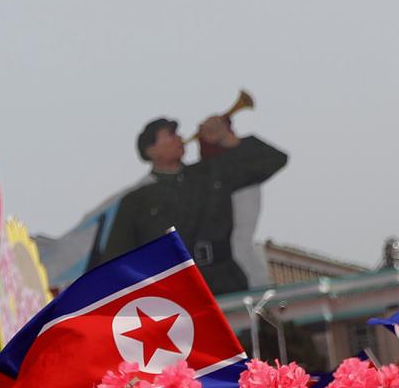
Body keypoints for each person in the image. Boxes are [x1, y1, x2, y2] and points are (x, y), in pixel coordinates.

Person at [101, 111, 286, 294]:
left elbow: (274, 159)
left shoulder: (209, 173)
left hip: (224, 283)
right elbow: (117, 264)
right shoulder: (136, 201)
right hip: (174, 294)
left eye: (178, 133)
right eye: (170, 135)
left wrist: (227, 139)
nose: (179, 138)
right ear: (151, 151)